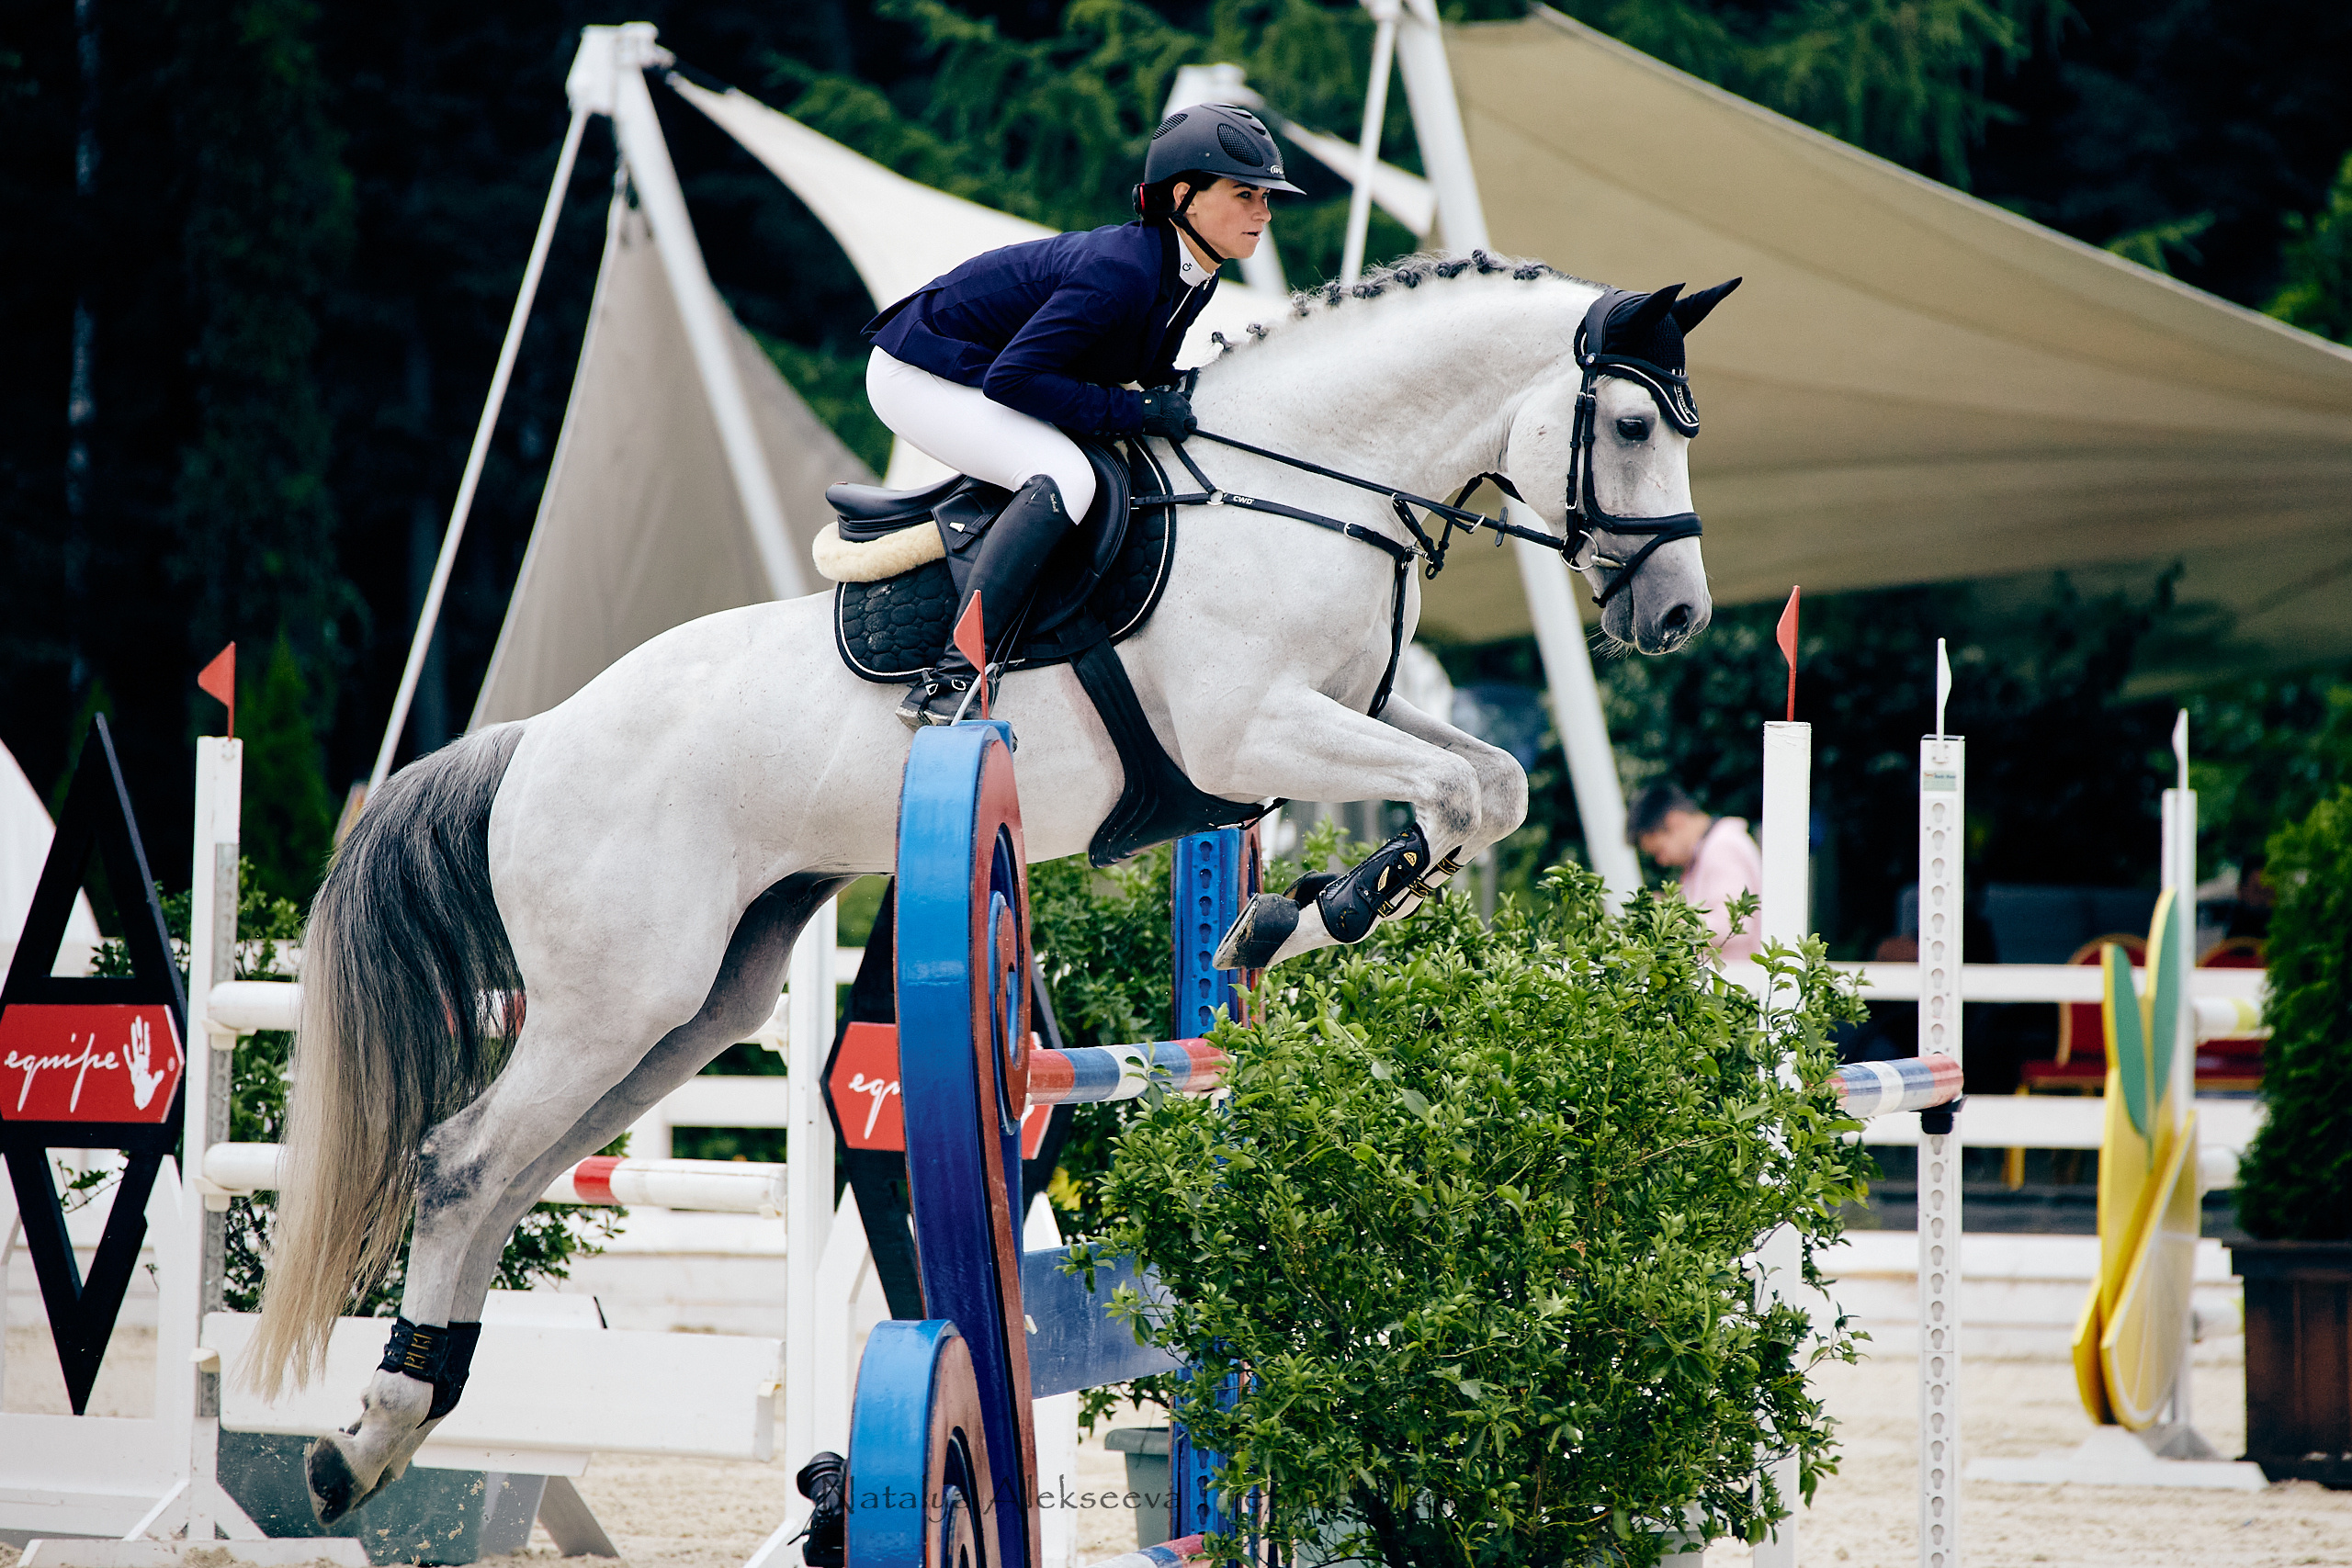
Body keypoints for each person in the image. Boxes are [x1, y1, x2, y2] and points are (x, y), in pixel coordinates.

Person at [861, 104, 1303, 728]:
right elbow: (1015, 380)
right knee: (1067, 477)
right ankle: (955, 674)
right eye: (1245, 194)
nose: (1263, 211)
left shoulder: (1193, 271)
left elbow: (1148, 375)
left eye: (1265, 196)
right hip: (921, 371)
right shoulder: (1120, 272)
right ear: (1186, 197)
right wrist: (1137, 409)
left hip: (984, 371)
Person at [1628, 781, 1763, 963]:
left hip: (1743, 979)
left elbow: (1735, 924)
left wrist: (1669, 919)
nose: (1662, 861)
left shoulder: (1722, 848)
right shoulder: (1708, 850)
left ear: (1675, 822)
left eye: (1659, 851)